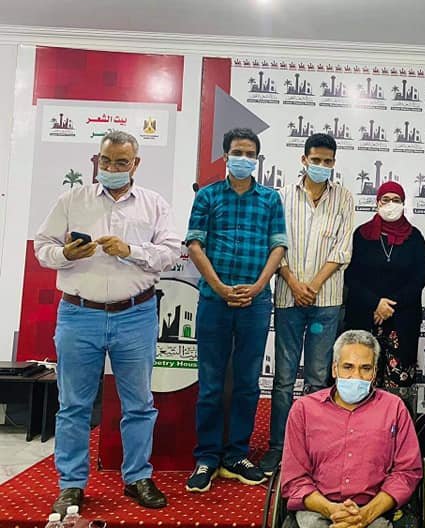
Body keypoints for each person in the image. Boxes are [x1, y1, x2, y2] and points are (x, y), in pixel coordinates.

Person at [35, 131, 180, 514]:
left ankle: (137, 477)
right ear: (97, 160)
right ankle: (71, 484)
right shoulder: (72, 200)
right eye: (106, 161)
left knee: (139, 404)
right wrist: (66, 254)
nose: (112, 168)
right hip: (78, 314)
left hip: (136, 314)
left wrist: (131, 251)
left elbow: (170, 252)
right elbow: (42, 247)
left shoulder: (153, 204)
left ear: (136, 164)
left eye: (121, 162)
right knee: (73, 406)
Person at [184, 127, 287, 492]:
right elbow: (194, 244)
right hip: (215, 301)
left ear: (257, 159)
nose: (244, 159)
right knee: (211, 384)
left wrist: (257, 287)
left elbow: (278, 247)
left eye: (250, 154)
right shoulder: (208, 196)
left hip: (255, 304)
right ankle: (207, 457)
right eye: (237, 153)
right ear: (226, 156)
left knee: (246, 383)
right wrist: (220, 287)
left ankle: (237, 455)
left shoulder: (270, 199)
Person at [260, 133, 354, 477]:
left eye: (328, 161)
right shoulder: (282, 196)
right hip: (289, 298)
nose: (322, 166)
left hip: (326, 301)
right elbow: (276, 244)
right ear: (304, 160)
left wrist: (312, 286)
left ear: (334, 163)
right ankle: (278, 447)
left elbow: (342, 251)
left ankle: (314, 449)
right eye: (316, 160)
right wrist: (294, 283)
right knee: (283, 379)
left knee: (317, 379)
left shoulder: (344, 198)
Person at [280, 330, 423, 528]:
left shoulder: (394, 408)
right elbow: (295, 478)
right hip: (316, 508)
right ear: (334, 369)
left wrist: (366, 514)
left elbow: (406, 472)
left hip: (376, 509)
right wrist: (331, 510)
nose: (356, 376)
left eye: (365, 368)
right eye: (348, 367)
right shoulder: (304, 410)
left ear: (374, 372)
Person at [344, 180, 425, 387]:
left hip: (402, 320)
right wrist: (375, 303)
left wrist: (389, 306)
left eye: (396, 200)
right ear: (377, 203)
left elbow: (419, 278)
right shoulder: (361, 235)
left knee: (398, 384)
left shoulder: (414, 238)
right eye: (386, 199)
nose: (391, 204)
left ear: (403, 203)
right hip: (365, 316)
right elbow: (351, 276)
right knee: (363, 382)